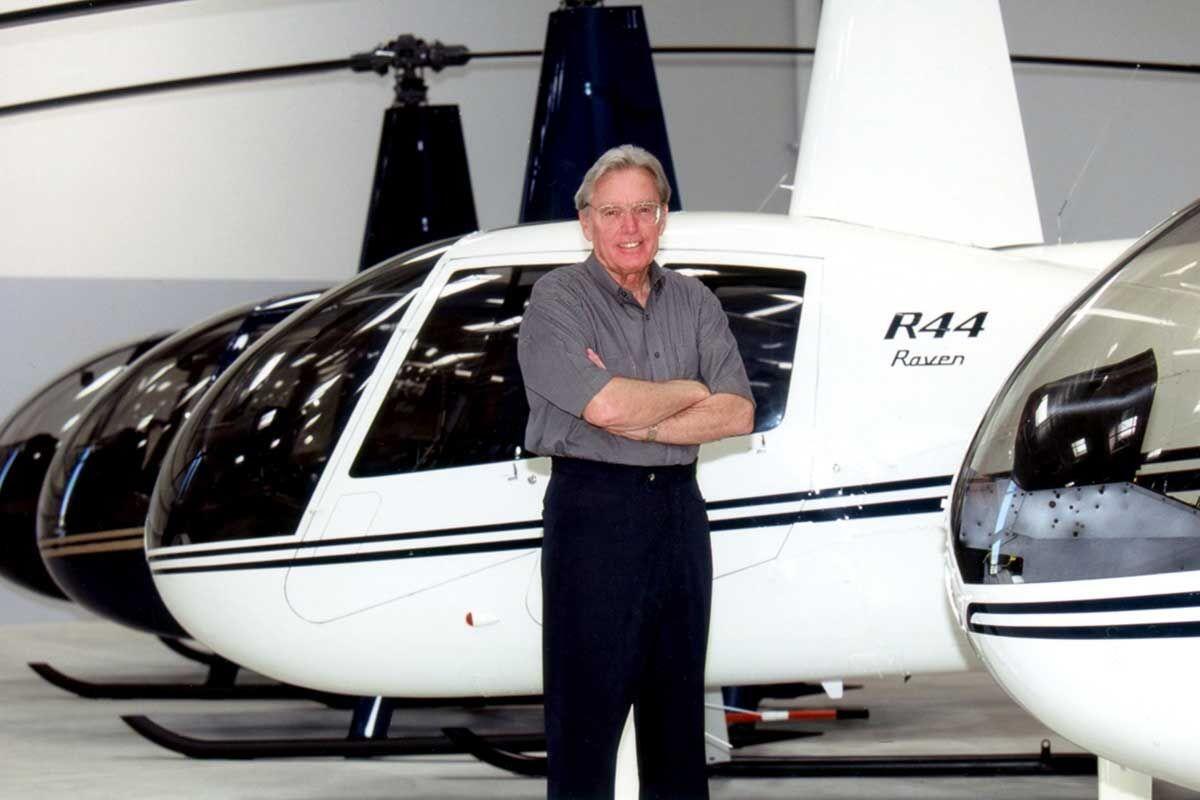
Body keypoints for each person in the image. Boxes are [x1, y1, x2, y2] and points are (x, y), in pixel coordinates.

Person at [517, 144, 755, 799]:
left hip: (679, 514)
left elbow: (737, 412)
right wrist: (690, 391)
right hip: (595, 514)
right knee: (586, 726)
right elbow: (603, 406)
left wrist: (639, 415)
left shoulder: (695, 301)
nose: (630, 227)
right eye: (613, 212)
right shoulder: (557, 301)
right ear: (586, 222)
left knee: (677, 729)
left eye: (644, 210)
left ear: (664, 217)